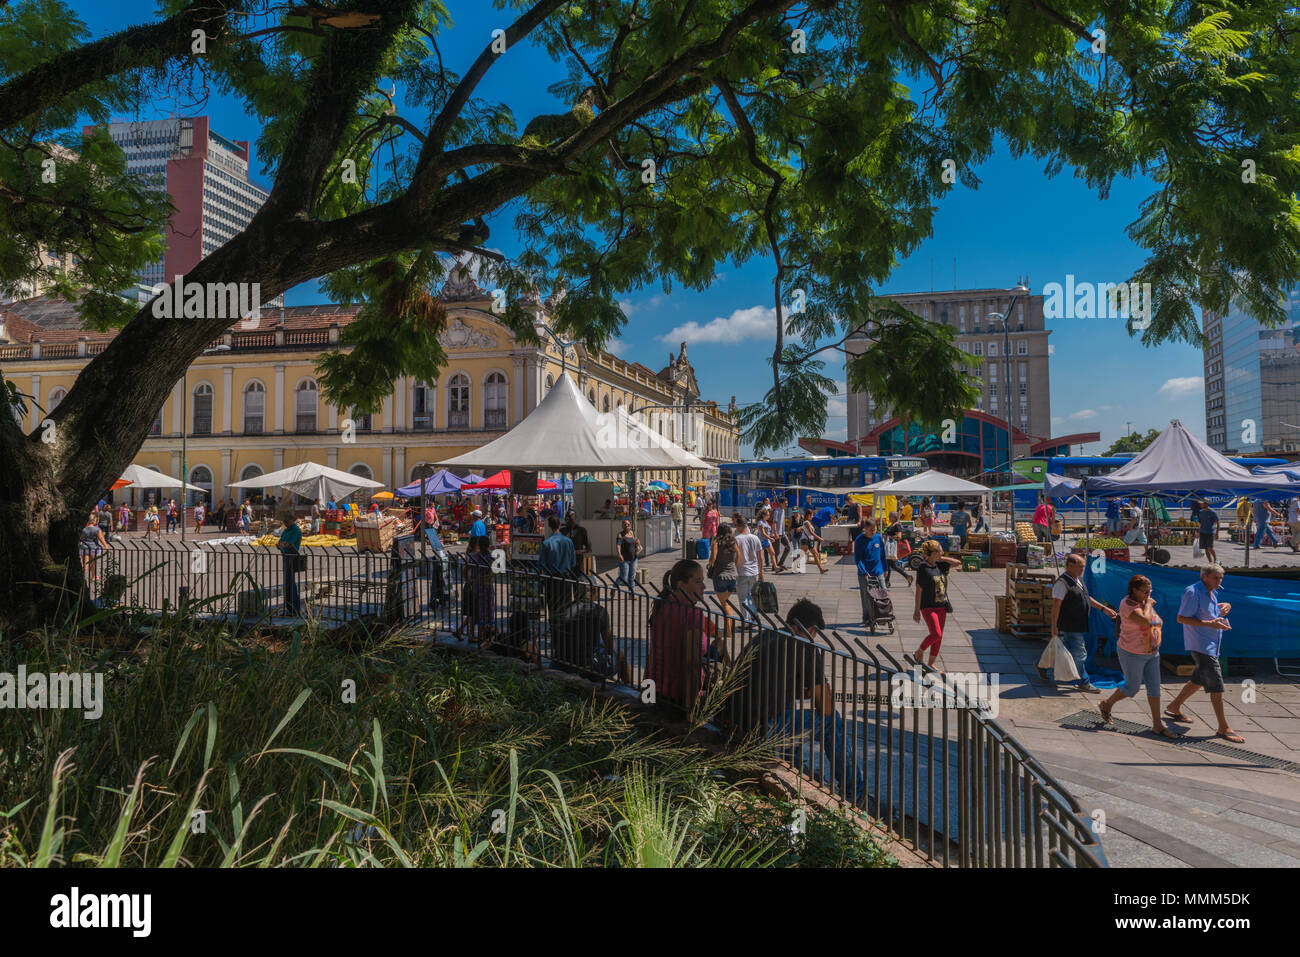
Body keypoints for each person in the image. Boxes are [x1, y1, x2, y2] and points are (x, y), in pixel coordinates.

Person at [1167, 564, 1242, 742]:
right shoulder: (1192, 592)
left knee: (1198, 679)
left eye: (1221, 578)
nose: (1219, 581)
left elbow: (1209, 614)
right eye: (1216, 578)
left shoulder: (1212, 592)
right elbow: (1182, 618)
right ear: (1205, 577)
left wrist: (1225, 607)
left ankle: (1174, 706)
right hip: (1201, 645)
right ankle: (1223, 727)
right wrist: (1211, 624)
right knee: (1216, 685)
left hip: (1211, 644)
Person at [1098, 574, 1175, 738]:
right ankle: (1107, 704)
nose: (1148, 595)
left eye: (1150, 591)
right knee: (1132, 688)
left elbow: (1155, 620)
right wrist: (1148, 604)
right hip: (1131, 653)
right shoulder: (1128, 604)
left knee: (1154, 688)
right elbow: (1145, 621)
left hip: (1151, 653)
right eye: (1145, 591)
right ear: (1134, 590)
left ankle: (1157, 725)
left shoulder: (1143, 602)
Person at [646, 559, 717, 713]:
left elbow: (652, 655)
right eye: (698, 581)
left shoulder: (662, 606)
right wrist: (689, 710)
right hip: (679, 696)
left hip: (658, 692)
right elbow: (692, 666)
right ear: (680, 584)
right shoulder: (693, 614)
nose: (704, 586)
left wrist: (646, 696)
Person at [1042, 553, 1117, 693]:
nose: (1083, 569)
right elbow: (1056, 607)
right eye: (1080, 566)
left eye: (1083, 566)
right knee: (1080, 653)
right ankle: (1084, 681)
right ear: (1070, 566)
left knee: (1062, 650)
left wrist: (1103, 608)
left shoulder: (1078, 580)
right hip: (1069, 624)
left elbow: (1086, 597)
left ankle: (1041, 666)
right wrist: (1054, 626)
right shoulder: (1062, 584)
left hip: (1078, 623)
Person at [911, 540, 962, 669]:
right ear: (933, 553)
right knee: (936, 634)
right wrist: (916, 611)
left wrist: (940, 557)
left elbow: (958, 563)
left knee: (939, 637)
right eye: (940, 550)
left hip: (942, 606)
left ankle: (931, 663)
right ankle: (919, 651)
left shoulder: (941, 565)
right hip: (928, 606)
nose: (942, 552)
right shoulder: (923, 567)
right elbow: (919, 590)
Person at [707, 522, 739, 634]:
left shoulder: (716, 541)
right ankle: (729, 628)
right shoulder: (733, 542)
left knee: (724, 604)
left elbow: (713, 557)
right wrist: (733, 566)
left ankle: (729, 631)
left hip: (720, 575)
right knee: (726, 602)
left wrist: (709, 564)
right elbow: (738, 556)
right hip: (733, 576)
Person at [854, 519, 886, 629]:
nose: (873, 532)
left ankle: (883, 614)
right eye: (871, 530)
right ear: (865, 529)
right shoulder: (859, 540)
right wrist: (864, 571)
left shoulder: (878, 538)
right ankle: (867, 617)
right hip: (864, 573)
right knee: (866, 596)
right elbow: (858, 559)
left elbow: (882, 555)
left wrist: (885, 568)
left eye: (875, 530)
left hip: (878, 570)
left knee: (883, 592)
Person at [732, 515, 764, 621]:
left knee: (743, 598)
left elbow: (735, 557)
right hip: (754, 572)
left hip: (742, 572)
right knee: (751, 596)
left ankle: (746, 620)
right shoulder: (755, 538)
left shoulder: (736, 539)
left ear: (739, 526)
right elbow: (760, 558)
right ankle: (754, 615)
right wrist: (761, 572)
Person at [276, 508, 303, 616]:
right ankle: (289, 607)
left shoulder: (296, 530)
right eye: (284, 521)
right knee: (287, 583)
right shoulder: (286, 530)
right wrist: (282, 544)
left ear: (292, 520)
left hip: (292, 556)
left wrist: (283, 544)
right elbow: (280, 543)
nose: (285, 523)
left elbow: (289, 544)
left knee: (291, 582)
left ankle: (294, 607)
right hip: (285, 555)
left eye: (287, 521)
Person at [79, 512, 109, 583]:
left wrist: (78, 545)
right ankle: (93, 577)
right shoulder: (97, 529)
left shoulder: (83, 529)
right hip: (93, 548)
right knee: (93, 563)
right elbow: (101, 539)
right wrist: (106, 546)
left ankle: (83, 577)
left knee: (85, 564)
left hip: (84, 547)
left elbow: (80, 539)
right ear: (94, 520)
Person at [797, 508, 827, 574]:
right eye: (811, 515)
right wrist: (819, 538)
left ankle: (821, 569)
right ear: (808, 515)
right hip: (805, 540)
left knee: (815, 554)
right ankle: (797, 566)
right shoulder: (806, 522)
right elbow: (811, 532)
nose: (812, 517)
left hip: (810, 541)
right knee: (802, 554)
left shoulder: (808, 522)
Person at [563, 511, 593, 575]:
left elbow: (589, 548)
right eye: (566, 519)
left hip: (578, 564)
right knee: (567, 583)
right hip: (565, 564)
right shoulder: (562, 531)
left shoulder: (582, 530)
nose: (568, 521)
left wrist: (578, 552)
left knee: (578, 583)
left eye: (570, 519)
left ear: (575, 518)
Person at [616, 519, 640, 589]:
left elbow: (633, 543)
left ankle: (631, 594)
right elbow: (618, 545)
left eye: (628, 524)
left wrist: (637, 542)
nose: (626, 526)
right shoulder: (620, 535)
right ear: (622, 526)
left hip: (633, 558)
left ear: (630, 525)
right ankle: (614, 588)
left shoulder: (631, 533)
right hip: (624, 559)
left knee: (632, 577)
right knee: (623, 577)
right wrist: (619, 554)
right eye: (625, 524)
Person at [756, 507, 779, 573]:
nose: (769, 516)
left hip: (766, 540)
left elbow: (768, 531)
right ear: (763, 515)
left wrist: (772, 535)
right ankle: (760, 569)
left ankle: (776, 567)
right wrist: (770, 538)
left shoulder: (765, 522)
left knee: (772, 553)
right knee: (760, 556)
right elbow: (763, 533)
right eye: (768, 515)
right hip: (761, 541)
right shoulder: (760, 522)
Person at [771, 498, 791, 570]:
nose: (787, 505)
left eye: (787, 503)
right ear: (781, 503)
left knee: (788, 547)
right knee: (777, 551)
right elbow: (774, 522)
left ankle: (780, 563)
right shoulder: (777, 511)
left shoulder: (783, 510)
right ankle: (774, 565)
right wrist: (775, 532)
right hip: (777, 534)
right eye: (785, 503)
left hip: (782, 533)